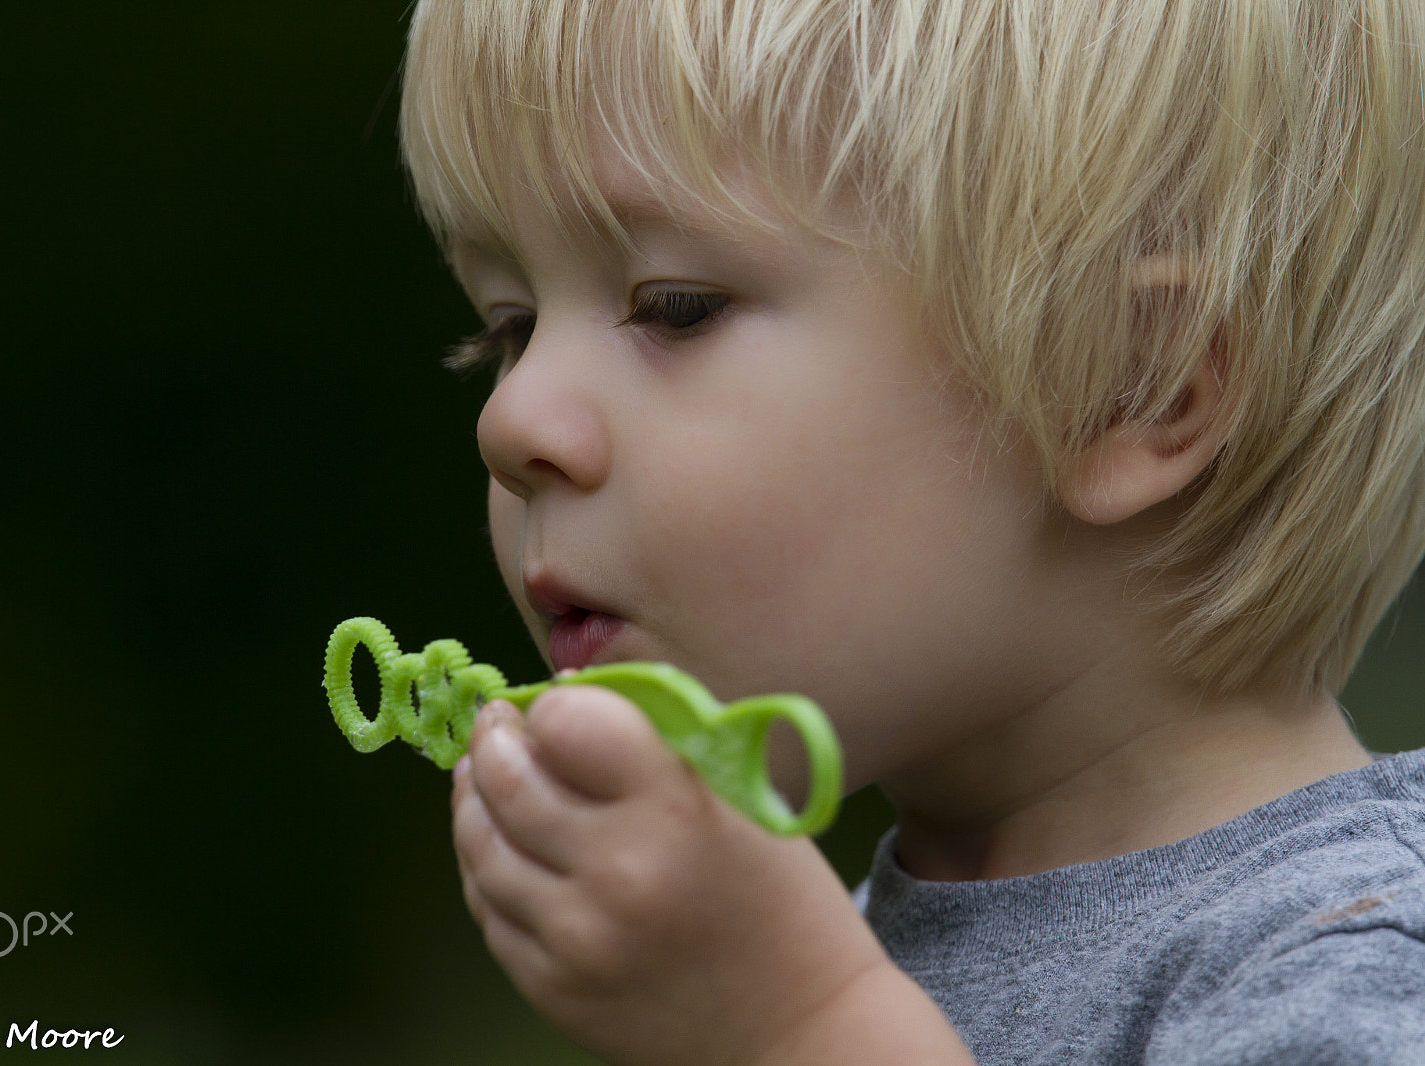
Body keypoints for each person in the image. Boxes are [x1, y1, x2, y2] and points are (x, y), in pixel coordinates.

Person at [395, 1, 1425, 1062]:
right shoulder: (803, 949)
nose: (510, 420)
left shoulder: (1358, 969)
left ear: (1129, 387)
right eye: (511, 326)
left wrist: (794, 1030)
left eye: (676, 305)